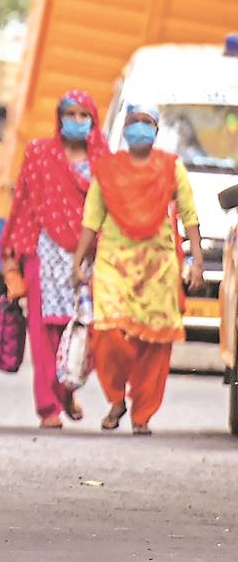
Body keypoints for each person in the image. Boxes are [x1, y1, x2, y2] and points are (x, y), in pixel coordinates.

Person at [72, 104, 205, 435]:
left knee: (154, 345)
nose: (140, 128)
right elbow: (92, 218)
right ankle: (116, 398)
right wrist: (78, 261)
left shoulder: (171, 168)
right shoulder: (107, 170)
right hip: (113, 263)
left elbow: (189, 215)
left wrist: (197, 261)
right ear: (125, 128)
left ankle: (142, 413)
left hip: (158, 266)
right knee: (107, 334)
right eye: (134, 122)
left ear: (157, 130)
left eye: (147, 122)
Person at [0, 90, 106, 428]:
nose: (75, 121)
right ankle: (48, 407)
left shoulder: (104, 160)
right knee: (43, 331)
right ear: (59, 118)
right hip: (44, 253)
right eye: (69, 114)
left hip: (90, 256)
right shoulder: (40, 154)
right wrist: (13, 257)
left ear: (93, 120)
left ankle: (65, 390)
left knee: (85, 331)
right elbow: (24, 204)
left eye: (82, 115)